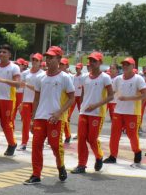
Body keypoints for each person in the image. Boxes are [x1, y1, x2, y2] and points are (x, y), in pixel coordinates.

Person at [25, 46, 75, 184]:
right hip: (40, 117)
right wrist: (32, 119)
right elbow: (36, 99)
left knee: (55, 146)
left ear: (59, 59)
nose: (48, 60)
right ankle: (36, 174)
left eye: (51, 57)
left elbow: (72, 98)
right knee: (36, 146)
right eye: (47, 57)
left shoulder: (65, 77)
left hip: (55, 118)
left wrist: (59, 112)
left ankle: (60, 166)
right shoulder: (40, 77)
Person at [73, 52, 113, 174]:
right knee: (81, 138)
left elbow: (111, 96)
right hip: (84, 112)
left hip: (97, 113)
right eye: (90, 61)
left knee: (92, 138)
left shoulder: (105, 77)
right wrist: (82, 107)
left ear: (100, 63)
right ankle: (81, 164)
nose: (91, 63)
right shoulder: (85, 77)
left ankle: (99, 156)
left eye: (94, 61)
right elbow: (83, 94)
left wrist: (96, 105)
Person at [105, 58, 146, 167]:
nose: (125, 66)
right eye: (123, 64)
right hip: (118, 111)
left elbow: (145, 95)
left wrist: (128, 98)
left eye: (127, 65)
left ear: (133, 66)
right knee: (114, 134)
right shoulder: (118, 79)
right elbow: (111, 92)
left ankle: (137, 153)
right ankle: (112, 156)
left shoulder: (138, 79)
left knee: (132, 135)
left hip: (132, 112)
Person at [19, 53, 44, 151]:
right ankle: (24, 143)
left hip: (37, 102)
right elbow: (22, 87)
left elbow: (39, 89)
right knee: (25, 123)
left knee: (37, 123)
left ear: (40, 62)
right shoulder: (25, 73)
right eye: (33, 59)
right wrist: (21, 102)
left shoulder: (42, 74)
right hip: (26, 100)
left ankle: (38, 142)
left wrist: (27, 85)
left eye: (36, 60)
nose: (34, 62)